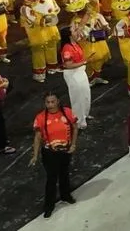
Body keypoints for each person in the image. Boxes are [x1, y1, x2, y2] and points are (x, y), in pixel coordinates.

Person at [29, 91, 77, 219]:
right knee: (51, 178)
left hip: (65, 151)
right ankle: (49, 206)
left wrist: (73, 144)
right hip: (49, 153)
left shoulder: (67, 112)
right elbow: (38, 137)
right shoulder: (40, 118)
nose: (50, 105)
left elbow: (75, 127)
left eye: (52, 101)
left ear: (58, 101)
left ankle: (65, 195)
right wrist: (35, 155)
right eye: (47, 102)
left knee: (64, 173)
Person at [59, 27, 91, 129]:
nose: (76, 32)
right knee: (77, 98)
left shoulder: (75, 43)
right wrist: (84, 61)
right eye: (73, 31)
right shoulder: (67, 48)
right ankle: (79, 121)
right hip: (73, 74)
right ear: (69, 35)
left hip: (80, 71)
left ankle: (84, 115)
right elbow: (68, 65)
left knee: (86, 94)